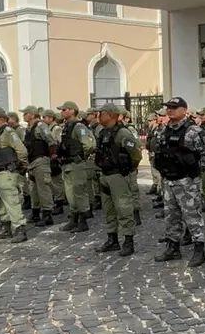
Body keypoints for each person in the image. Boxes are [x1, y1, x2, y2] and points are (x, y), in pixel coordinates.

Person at [153, 97, 205, 265]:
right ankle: (173, 248)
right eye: (168, 107)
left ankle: (199, 250)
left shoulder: (193, 131)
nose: (170, 110)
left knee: (192, 216)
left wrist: (196, 173)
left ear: (184, 110)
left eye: (174, 107)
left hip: (187, 181)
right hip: (169, 180)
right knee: (171, 216)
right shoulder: (164, 130)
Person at [94, 104, 143, 257]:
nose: (98, 116)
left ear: (110, 115)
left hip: (119, 175)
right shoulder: (103, 132)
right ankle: (112, 239)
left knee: (124, 208)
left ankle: (128, 240)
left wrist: (128, 170)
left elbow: (136, 154)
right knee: (108, 209)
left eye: (101, 113)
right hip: (105, 174)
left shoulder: (123, 133)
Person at [0, 107, 29, 243]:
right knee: (2, 202)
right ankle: (5, 226)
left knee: (11, 201)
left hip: (6, 172)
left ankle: (20, 228)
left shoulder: (8, 132)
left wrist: (21, 167)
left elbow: (22, 151)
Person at [57, 101, 95, 232]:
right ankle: (74, 218)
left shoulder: (78, 126)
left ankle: (83, 221)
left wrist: (80, 156)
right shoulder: (66, 127)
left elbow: (90, 144)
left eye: (64, 109)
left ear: (73, 111)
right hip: (67, 164)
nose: (62, 112)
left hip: (76, 164)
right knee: (70, 194)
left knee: (79, 192)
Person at [21, 105, 57, 227]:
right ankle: (35, 211)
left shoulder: (41, 126)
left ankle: (47, 215)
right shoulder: (28, 128)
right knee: (34, 190)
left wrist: (51, 156)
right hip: (32, 162)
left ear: (32, 114)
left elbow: (51, 141)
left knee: (43, 189)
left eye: (25, 113)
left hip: (41, 160)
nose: (23, 115)